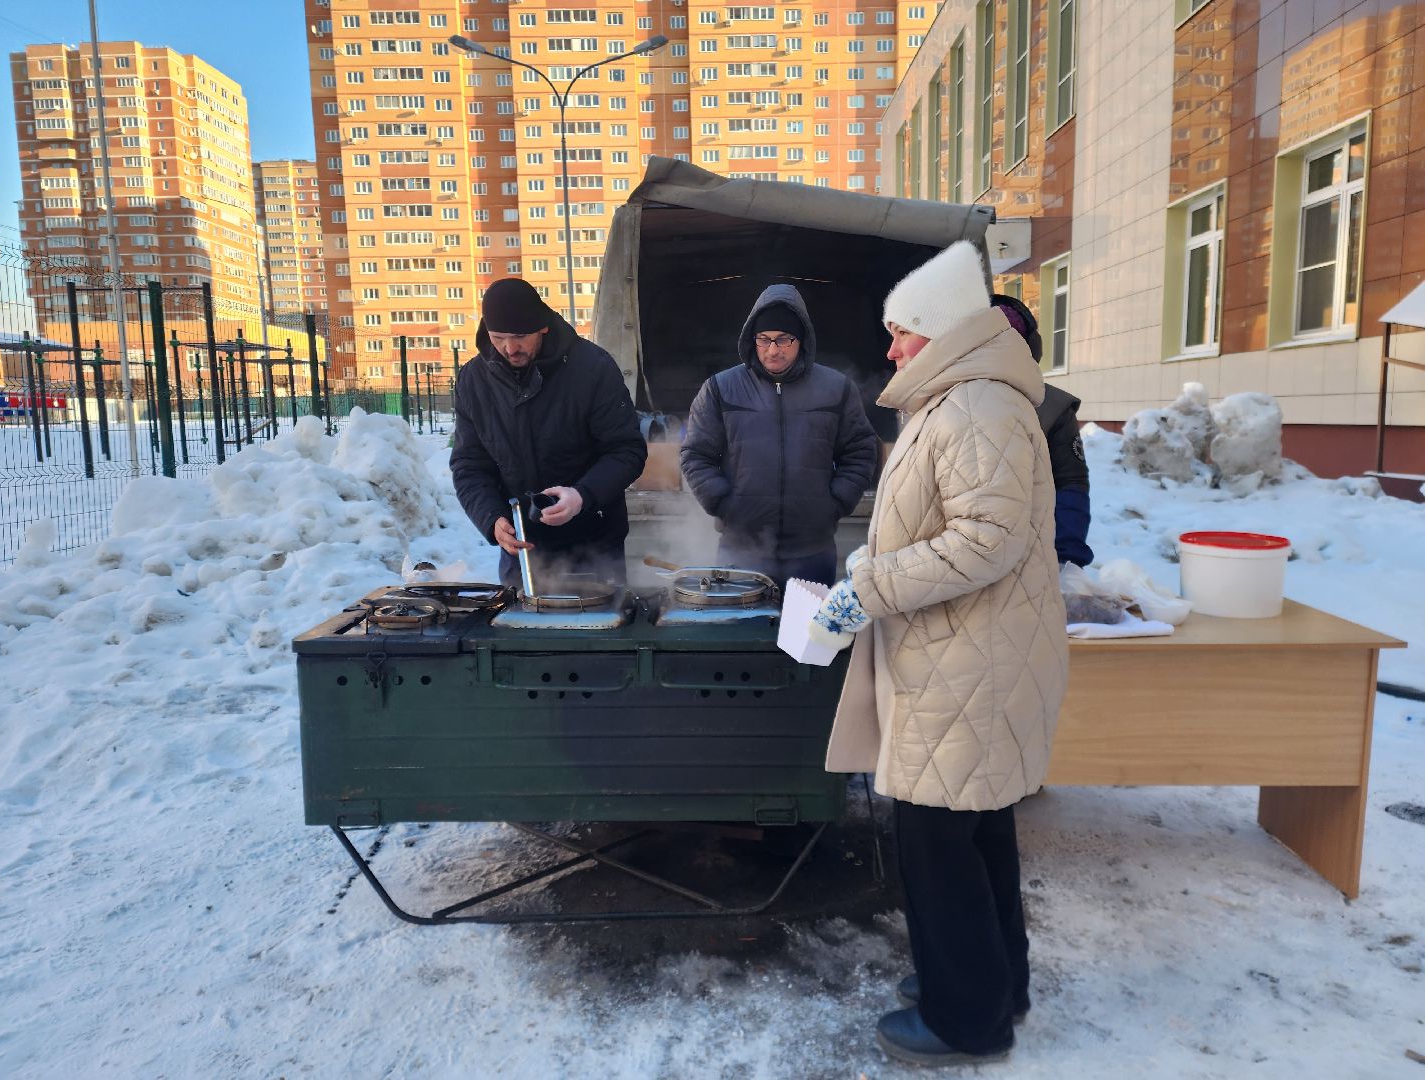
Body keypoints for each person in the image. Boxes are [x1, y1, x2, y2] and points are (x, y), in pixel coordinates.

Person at [806, 242, 1069, 1067]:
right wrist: (874, 573)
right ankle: (995, 984)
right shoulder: (962, 400)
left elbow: (984, 541)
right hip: (964, 661)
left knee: (937, 845)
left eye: (900, 334)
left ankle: (968, 1020)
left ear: (942, 333)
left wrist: (870, 586)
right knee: (977, 833)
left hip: (967, 667)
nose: (889, 350)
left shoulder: (976, 408)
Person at [449, 278, 646, 589]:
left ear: (542, 327)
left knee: (597, 632)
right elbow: (469, 465)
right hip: (523, 548)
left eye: (519, 336)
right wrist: (491, 518)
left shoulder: (592, 368)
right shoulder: (473, 380)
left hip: (594, 540)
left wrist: (582, 495)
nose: (509, 348)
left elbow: (627, 451)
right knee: (524, 635)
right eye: (498, 337)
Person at [679, 283, 878, 586]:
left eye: (784, 339)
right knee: (740, 632)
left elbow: (861, 451)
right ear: (752, 339)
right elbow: (695, 455)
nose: (773, 350)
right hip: (741, 550)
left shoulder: (836, 389)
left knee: (805, 633)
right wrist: (724, 503)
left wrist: (835, 503)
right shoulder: (721, 389)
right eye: (764, 339)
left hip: (812, 551)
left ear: (802, 340)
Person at [990, 293, 1095, 567]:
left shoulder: (1052, 408)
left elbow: (1070, 484)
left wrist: (1067, 558)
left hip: (1029, 560)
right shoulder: (943, 402)